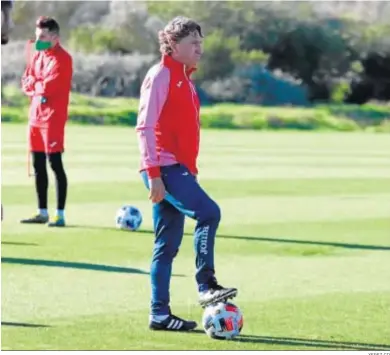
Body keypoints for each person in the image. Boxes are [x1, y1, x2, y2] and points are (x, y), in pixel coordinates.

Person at [136, 16, 238, 332]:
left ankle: (159, 315)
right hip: (164, 169)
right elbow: (145, 126)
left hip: (178, 170)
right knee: (209, 213)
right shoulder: (161, 75)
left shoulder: (185, 79)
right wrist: (153, 174)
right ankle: (206, 284)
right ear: (173, 45)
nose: (199, 49)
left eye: (200, 42)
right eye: (193, 43)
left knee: (166, 246)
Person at [20, 16, 73, 227]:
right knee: (38, 164)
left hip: (52, 118)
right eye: (37, 36)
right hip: (35, 116)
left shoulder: (63, 59)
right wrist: (34, 85)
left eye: (42, 36)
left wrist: (35, 85)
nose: (38, 40)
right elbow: (26, 81)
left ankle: (59, 214)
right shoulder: (38, 55)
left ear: (54, 37)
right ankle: (42, 211)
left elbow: (49, 87)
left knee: (55, 164)